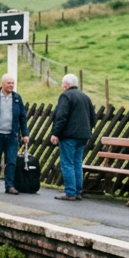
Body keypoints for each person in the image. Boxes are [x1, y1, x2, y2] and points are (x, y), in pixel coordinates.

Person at [50, 73, 94, 201]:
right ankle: (78, 191)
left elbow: (61, 116)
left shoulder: (66, 96)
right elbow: (93, 117)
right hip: (83, 135)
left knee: (67, 163)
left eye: (62, 84)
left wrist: (56, 133)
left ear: (66, 85)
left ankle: (70, 192)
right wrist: (87, 129)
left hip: (69, 136)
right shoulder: (85, 97)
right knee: (77, 163)